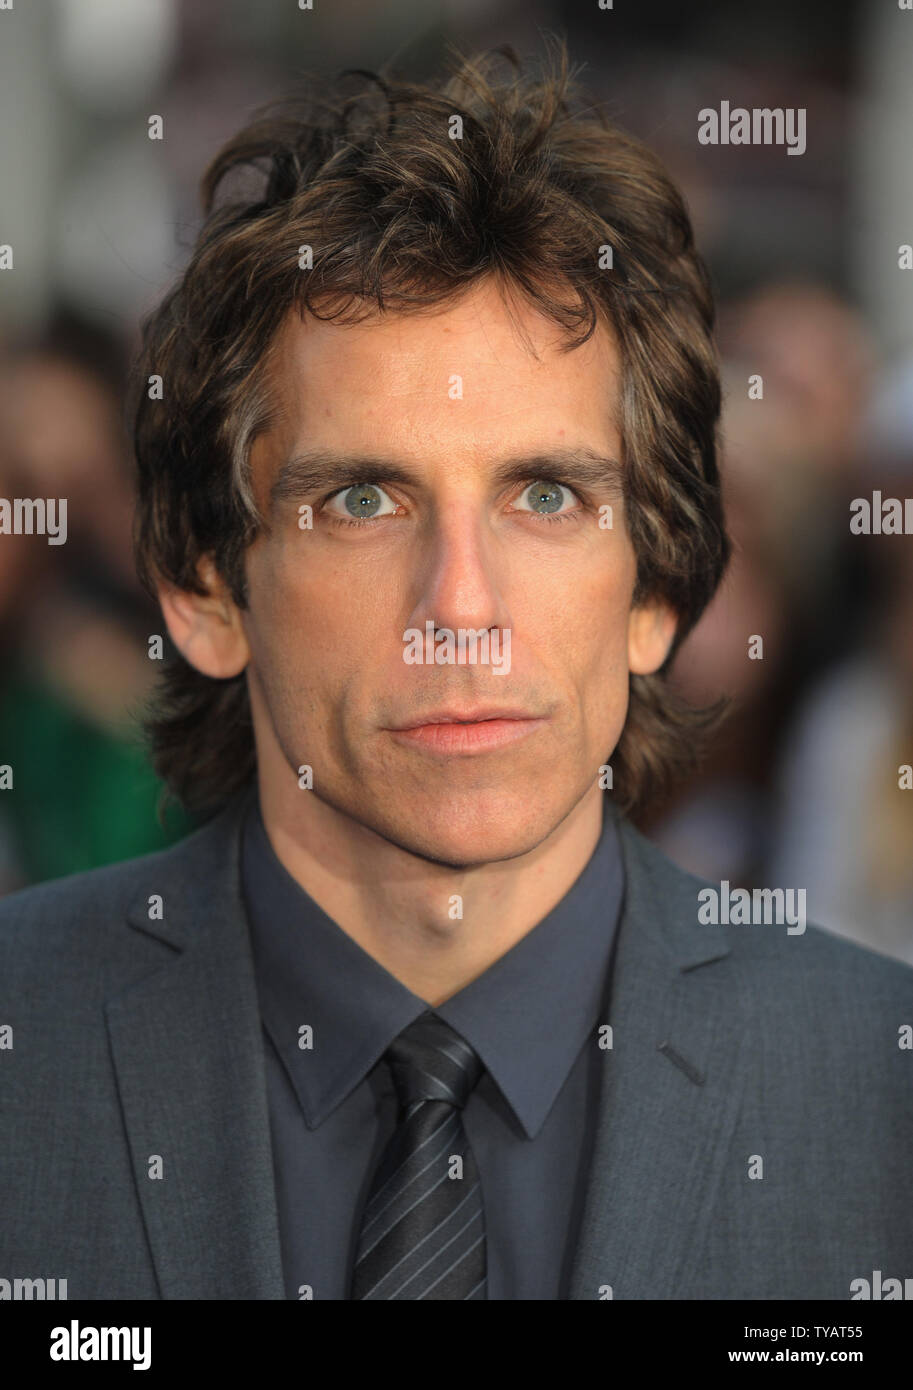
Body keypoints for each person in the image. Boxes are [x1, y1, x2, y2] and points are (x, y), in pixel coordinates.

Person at [1, 43, 910, 1302]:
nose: (461, 610)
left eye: (547, 495)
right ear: (205, 589)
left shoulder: (881, 1094)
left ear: (655, 590)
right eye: (364, 499)